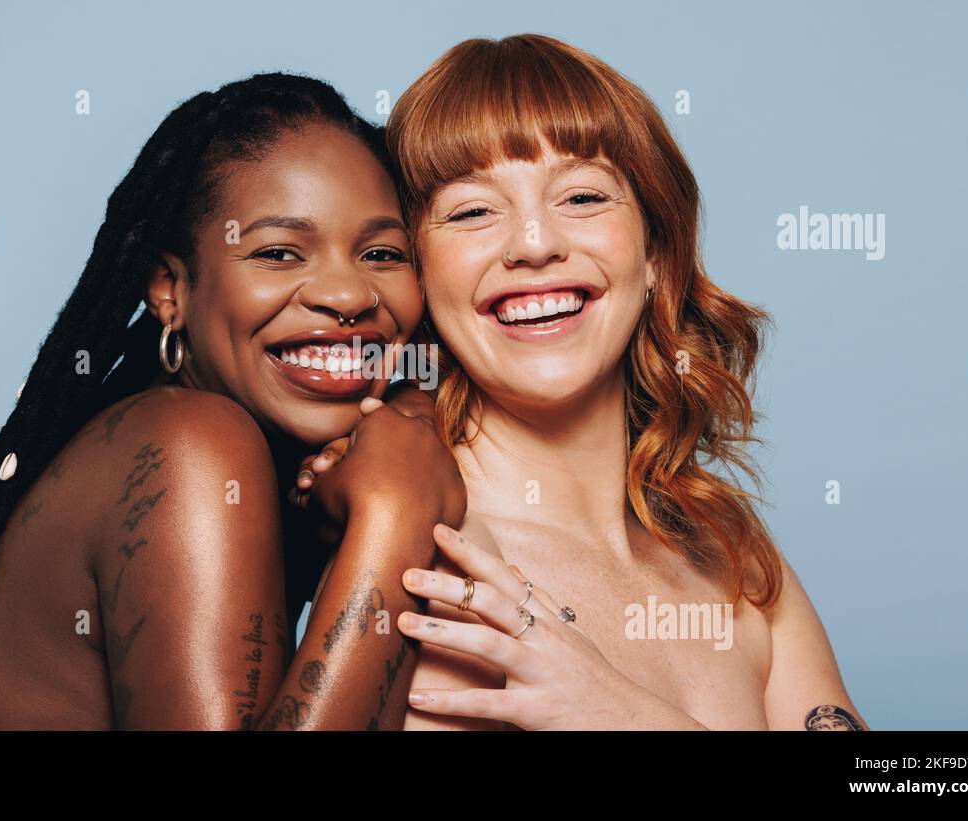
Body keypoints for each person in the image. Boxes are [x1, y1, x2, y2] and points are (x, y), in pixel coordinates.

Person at [308, 34, 867, 730]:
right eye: (473, 210)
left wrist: (626, 716)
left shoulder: (729, 546)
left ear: (657, 251)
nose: (535, 244)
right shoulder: (428, 556)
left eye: (580, 196)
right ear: (419, 275)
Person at [0, 72, 463, 730]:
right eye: (278, 252)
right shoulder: (194, 443)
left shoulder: (236, 446)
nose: (348, 295)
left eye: (382, 253)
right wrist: (395, 517)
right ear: (170, 292)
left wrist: (410, 416)